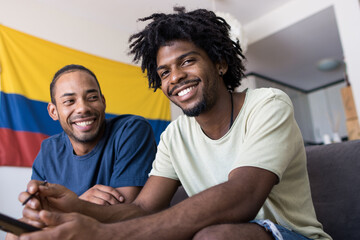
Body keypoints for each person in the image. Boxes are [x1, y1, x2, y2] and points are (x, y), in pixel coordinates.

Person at [16, 8, 331, 240]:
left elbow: (243, 194)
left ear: (220, 63)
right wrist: (79, 207)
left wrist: (105, 234)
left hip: (290, 235)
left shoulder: (268, 104)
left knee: (212, 237)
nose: (175, 76)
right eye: (164, 72)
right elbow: (143, 210)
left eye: (187, 61)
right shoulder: (175, 135)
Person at [29, 64, 157, 204]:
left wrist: (71, 205)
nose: (82, 108)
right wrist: (78, 204)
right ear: (53, 111)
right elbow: (38, 212)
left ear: (103, 102)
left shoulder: (131, 130)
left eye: (92, 98)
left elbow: (123, 212)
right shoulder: (48, 149)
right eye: (69, 101)